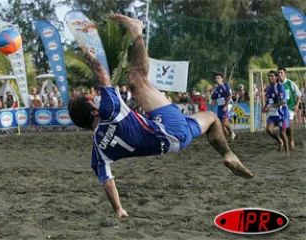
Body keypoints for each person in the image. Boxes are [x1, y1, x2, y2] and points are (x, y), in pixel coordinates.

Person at [68, 14, 253, 218]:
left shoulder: (98, 149)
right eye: (91, 100)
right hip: (169, 128)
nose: (95, 99)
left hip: (174, 143)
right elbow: (102, 75)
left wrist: (119, 209)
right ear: (94, 111)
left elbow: (107, 181)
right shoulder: (109, 110)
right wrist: (91, 55)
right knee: (136, 78)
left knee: (210, 117)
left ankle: (228, 155)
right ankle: (137, 28)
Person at [262, 71, 290, 156]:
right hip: (273, 114)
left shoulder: (280, 87)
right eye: (268, 76)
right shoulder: (269, 89)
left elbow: (283, 102)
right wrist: (265, 107)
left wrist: (271, 106)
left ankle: (287, 152)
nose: (269, 77)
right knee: (268, 130)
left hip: (282, 113)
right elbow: (268, 101)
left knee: (282, 132)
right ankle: (279, 141)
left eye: (271, 76)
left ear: (276, 77)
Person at [277, 67, 302, 150]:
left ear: (285, 74)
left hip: (290, 107)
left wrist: (297, 105)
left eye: (281, 73)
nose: (279, 75)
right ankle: (285, 141)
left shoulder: (290, 83)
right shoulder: (277, 85)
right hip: (280, 108)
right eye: (278, 73)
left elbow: (299, 95)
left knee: (289, 124)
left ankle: (291, 140)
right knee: (282, 126)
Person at [211, 73, 236, 141]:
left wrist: (226, 106)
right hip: (220, 106)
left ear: (222, 79)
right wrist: (211, 109)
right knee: (220, 123)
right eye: (216, 78)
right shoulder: (216, 89)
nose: (217, 80)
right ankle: (227, 136)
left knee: (224, 122)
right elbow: (214, 100)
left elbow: (229, 96)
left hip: (228, 104)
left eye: (218, 78)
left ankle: (232, 133)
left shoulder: (226, 86)